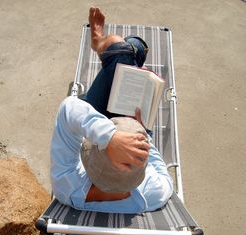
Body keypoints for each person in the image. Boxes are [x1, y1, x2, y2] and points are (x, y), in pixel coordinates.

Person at [50, 7, 173, 214]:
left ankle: (105, 44)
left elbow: (69, 107)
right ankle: (127, 49)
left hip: (97, 121)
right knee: (133, 49)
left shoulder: (68, 186)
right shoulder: (155, 193)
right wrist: (140, 133)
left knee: (123, 50)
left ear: (89, 164)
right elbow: (159, 166)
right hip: (130, 127)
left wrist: (109, 137)